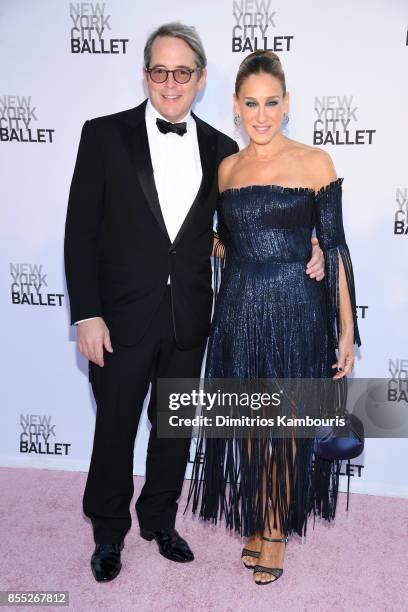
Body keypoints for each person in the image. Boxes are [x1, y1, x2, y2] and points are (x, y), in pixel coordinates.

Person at [64, 25, 325, 583]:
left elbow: (240, 231)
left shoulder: (221, 150)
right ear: (146, 75)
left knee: (173, 428)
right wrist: (86, 313)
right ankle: (108, 533)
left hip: (190, 316)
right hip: (120, 317)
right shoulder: (103, 136)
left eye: (183, 72)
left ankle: (158, 519)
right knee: (114, 428)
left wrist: (313, 245)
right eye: (160, 71)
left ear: (202, 80)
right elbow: (80, 231)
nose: (171, 82)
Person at [188, 51, 361, 585]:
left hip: (295, 312)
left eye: (270, 103)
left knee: (284, 429)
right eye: (249, 103)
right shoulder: (227, 169)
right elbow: (223, 238)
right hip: (238, 312)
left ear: (287, 104)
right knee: (249, 429)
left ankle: (276, 529)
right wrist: (220, 246)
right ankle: (260, 518)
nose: (260, 115)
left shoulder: (316, 162)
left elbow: (334, 250)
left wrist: (349, 330)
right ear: (235, 106)